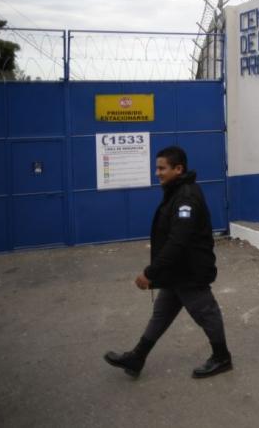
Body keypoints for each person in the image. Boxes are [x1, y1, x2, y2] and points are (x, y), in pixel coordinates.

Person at [104, 146, 232, 379]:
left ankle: (222, 357)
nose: (157, 173)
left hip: (190, 271)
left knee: (206, 313)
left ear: (178, 169)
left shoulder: (186, 197)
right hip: (177, 271)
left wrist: (151, 272)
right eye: (157, 168)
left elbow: (178, 241)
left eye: (162, 168)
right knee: (161, 313)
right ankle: (137, 357)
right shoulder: (176, 191)